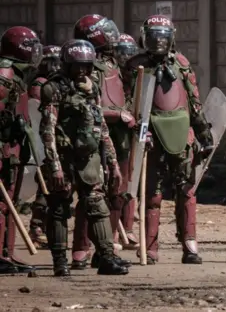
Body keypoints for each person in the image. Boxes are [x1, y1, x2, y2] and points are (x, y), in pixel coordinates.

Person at [126, 15, 214, 265]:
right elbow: (131, 105)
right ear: (145, 38)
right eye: (153, 38)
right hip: (150, 136)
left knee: (186, 190)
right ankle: (150, 247)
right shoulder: (135, 66)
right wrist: (140, 135)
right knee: (152, 194)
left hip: (181, 135)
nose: (158, 43)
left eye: (163, 38)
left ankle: (189, 244)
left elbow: (194, 102)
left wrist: (203, 133)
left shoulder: (182, 64)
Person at [40, 39, 129, 276]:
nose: (81, 71)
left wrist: (113, 164)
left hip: (88, 157)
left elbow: (102, 128)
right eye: (76, 66)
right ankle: (60, 262)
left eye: (86, 66)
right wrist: (55, 167)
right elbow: (48, 130)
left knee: (97, 205)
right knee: (59, 208)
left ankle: (107, 258)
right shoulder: (54, 88)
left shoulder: (93, 88)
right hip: (63, 157)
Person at [71, 14, 135, 267]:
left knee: (117, 194)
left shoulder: (115, 65)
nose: (112, 37)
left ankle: (105, 250)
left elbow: (125, 97)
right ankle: (80, 249)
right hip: (93, 137)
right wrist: (117, 114)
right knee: (91, 195)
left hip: (120, 138)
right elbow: (89, 106)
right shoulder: (87, 69)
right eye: (106, 33)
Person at [0, 26, 42, 275]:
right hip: (3, 148)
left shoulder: (18, 74)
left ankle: (7, 252)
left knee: (11, 202)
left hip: (13, 149)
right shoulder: (4, 76)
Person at [27, 45, 61, 248]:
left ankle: (44, 226)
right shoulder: (39, 85)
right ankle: (37, 226)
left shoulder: (52, 84)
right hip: (42, 142)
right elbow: (39, 117)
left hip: (52, 141)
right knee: (45, 187)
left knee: (50, 188)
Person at [115, 33, 140, 249]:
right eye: (121, 52)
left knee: (132, 179)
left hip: (135, 130)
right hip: (114, 132)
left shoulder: (138, 73)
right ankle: (113, 231)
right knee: (115, 181)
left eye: (128, 52)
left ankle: (128, 228)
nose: (125, 57)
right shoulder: (109, 75)